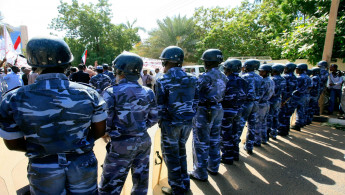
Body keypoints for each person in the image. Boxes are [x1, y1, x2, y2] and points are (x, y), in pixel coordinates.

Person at [0, 37, 107, 194]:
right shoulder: (89, 94)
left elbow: (12, 143)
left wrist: (42, 149)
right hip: (82, 164)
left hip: (42, 167)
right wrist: (79, 145)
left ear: (32, 64)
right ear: (67, 63)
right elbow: (99, 130)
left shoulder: (13, 99)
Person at [98, 52, 158, 194]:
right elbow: (154, 117)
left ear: (119, 71)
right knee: (141, 182)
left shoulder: (111, 92)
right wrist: (139, 128)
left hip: (121, 144)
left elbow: (105, 123)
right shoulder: (148, 92)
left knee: (110, 185)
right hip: (143, 141)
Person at [156, 46, 198, 194]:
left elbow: (160, 106)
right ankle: (184, 184)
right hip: (187, 123)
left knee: (171, 156)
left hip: (170, 124)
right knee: (181, 153)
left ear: (166, 62)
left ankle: (177, 189)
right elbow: (196, 102)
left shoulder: (163, 79)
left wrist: (161, 122)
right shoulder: (193, 79)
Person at [189, 49, 228, 181]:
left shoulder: (205, 77)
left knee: (201, 142)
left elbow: (195, 93)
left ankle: (200, 172)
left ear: (207, 62)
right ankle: (213, 167)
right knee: (215, 139)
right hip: (218, 109)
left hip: (205, 111)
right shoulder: (223, 76)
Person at [220, 59, 248, 164]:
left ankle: (227, 157)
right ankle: (235, 153)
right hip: (239, 110)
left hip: (226, 111)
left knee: (225, 134)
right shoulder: (244, 81)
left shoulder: (225, 81)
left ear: (229, 69)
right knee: (235, 133)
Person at [239, 59, 264, 154]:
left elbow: (240, 92)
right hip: (256, 103)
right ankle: (250, 146)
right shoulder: (260, 78)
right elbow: (261, 92)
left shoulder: (244, 77)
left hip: (245, 104)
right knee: (252, 125)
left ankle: (235, 148)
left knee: (240, 125)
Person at [278, 62, 298, 136]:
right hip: (291, 99)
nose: (284, 70)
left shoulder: (285, 77)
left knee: (282, 115)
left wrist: (283, 101)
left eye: (285, 68)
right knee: (287, 116)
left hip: (285, 99)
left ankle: (282, 130)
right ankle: (286, 129)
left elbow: (284, 90)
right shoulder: (295, 78)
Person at [256, 64, 275, 145]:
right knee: (264, 122)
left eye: (262, 71)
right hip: (267, 103)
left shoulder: (264, 81)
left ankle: (257, 141)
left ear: (267, 72)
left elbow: (260, 95)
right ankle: (264, 138)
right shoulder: (271, 80)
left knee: (258, 123)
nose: (260, 72)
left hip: (261, 104)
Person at [268, 64, 286, 139]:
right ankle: (274, 133)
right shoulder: (283, 79)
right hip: (278, 99)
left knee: (269, 117)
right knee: (275, 117)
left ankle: (267, 134)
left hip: (271, 99)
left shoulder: (272, 79)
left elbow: (270, 91)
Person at [291, 64, 309, 131]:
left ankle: (296, 125)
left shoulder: (300, 78)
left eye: (297, 69)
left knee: (291, 111)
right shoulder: (308, 77)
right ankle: (300, 124)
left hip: (297, 96)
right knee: (301, 111)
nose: (296, 70)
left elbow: (295, 88)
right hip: (304, 95)